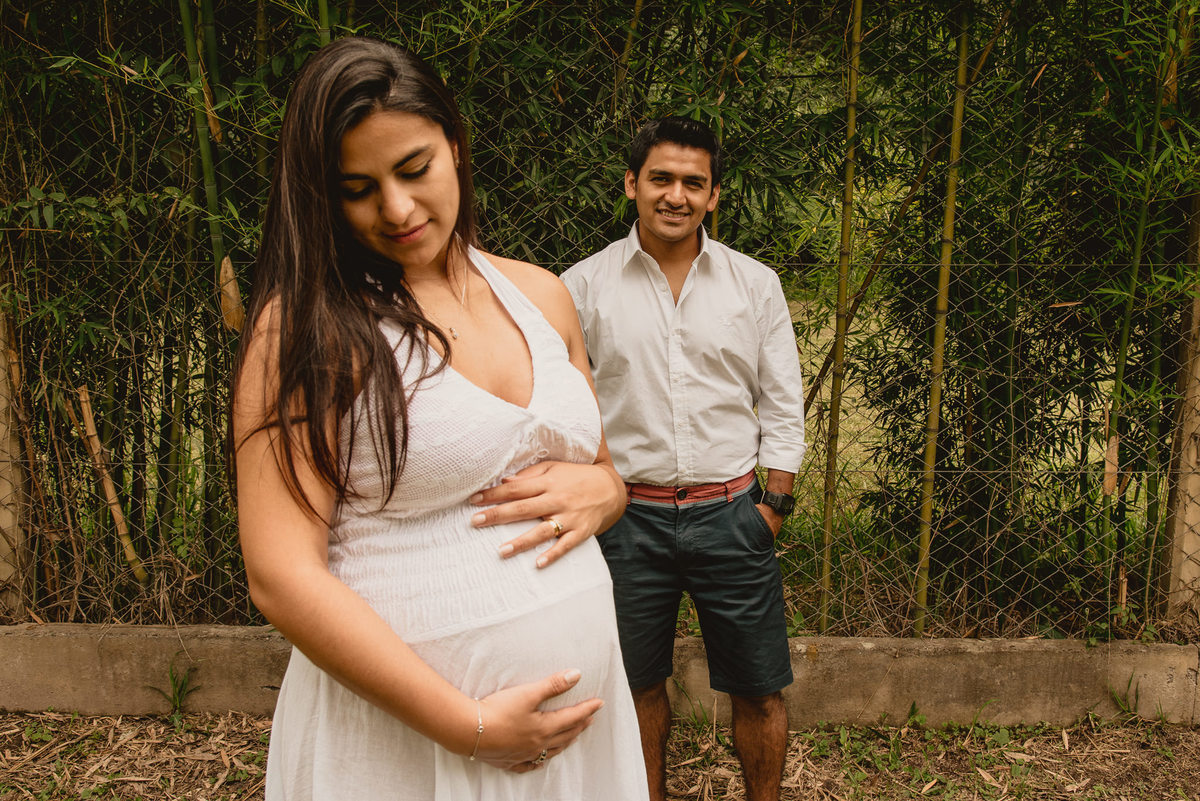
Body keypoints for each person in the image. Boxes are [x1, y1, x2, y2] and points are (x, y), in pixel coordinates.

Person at [230, 37, 649, 801]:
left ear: (455, 144)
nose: (396, 208)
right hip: (407, 749)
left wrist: (611, 493)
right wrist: (470, 726)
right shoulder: (308, 329)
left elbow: (600, 466)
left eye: (414, 168)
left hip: (576, 745)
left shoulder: (540, 294)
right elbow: (280, 575)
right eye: (358, 187)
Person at [561, 116, 806, 801]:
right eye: (661, 178)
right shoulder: (581, 285)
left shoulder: (754, 285)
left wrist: (772, 508)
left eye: (693, 182)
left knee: (760, 687)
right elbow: (559, 405)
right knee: (636, 686)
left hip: (732, 515)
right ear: (633, 183)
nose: (676, 195)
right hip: (625, 520)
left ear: (714, 195)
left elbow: (784, 401)